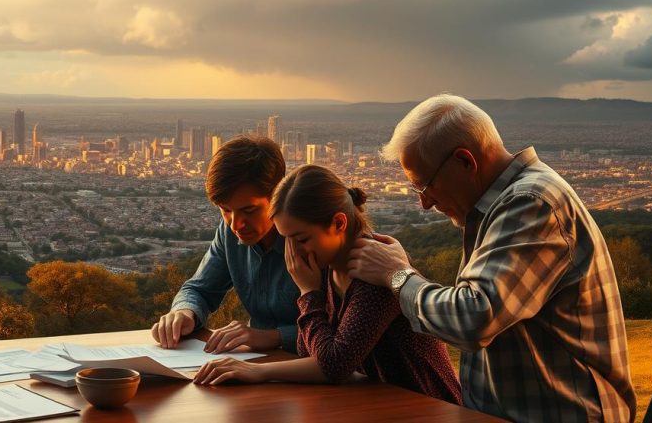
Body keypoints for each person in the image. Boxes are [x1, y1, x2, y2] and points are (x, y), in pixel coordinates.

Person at [347, 94, 636, 422]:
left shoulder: (531, 204)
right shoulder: (502, 205)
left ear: (465, 162)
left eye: (425, 186)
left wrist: (397, 275)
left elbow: (474, 317)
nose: (425, 203)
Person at [193, 165, 462, 405]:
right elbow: (310, 348)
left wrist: (308, 294)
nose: (294, 253)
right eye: (287, 240)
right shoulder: (329, 264)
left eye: (301, 239)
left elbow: (333, 364)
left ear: (338, 223)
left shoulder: (373, 271)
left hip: (427, 404)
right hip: (380, 401)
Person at [151, 136, 301, 353]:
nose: (236, 224)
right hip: (256, 365)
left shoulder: (312, 236)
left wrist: (273, 337)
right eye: (225, 210)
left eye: (249, 211)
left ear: (279, 194)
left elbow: (340, 330)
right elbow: (199, 289)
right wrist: (184, 313)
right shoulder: (229, 232)